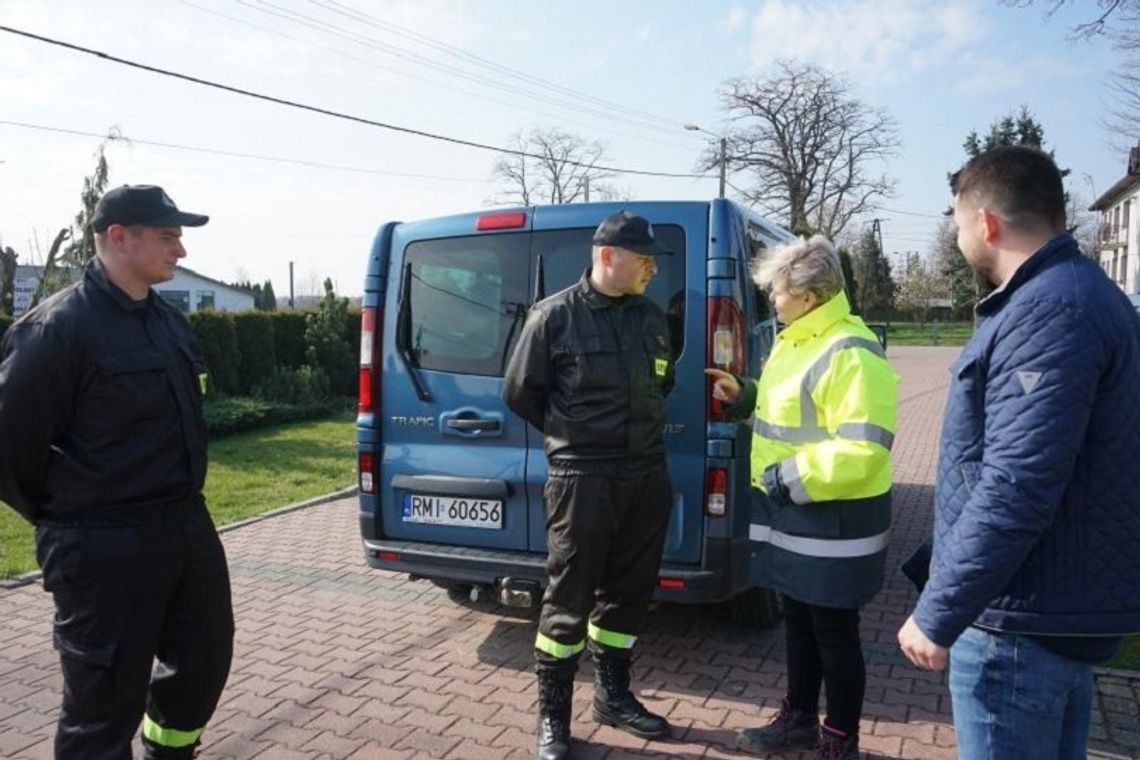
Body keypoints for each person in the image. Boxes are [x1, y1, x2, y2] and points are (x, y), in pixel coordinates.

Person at [897, 145, 1140, 759]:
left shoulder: (1050, 309)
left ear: (986, 223)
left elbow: (1015, 483)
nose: (957, 238)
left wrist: (940, 609)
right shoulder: (1080, 294)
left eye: (955, 223)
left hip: (1017, 623)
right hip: (1049, 609)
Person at [0, 185, 235, 759]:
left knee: (204, 661)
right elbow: (8, 451)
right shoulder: (55, 330)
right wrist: (71, 517)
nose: (180, 250)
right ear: (118, 237)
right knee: (103, 704)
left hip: (184, 526)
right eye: (168, 235)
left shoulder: (169, 323)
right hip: (100, 541)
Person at [707, 234, 898, 760]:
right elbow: (787, 413)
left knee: (834, 634)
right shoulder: (799, 340)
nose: (771, 297)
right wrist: (744, 394)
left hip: (834, 521)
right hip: (799, 514)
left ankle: (840, 741)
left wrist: (780, 479)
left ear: (809, 296)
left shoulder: (851, 350)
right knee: (798, 622)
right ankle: (798, 719)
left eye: (778, 290)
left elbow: (863, 449)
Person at [503, 210, 676, 760]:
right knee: (568, 599)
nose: (652, 268)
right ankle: (553, 719)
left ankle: (613, 697)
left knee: (629, 594)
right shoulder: (553, 317)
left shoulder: (652, 318)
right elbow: (521, 393)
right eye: (643, 259)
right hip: (583, 478)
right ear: (608, 256)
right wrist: (574, 436)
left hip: (645, 475)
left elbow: (662, 385)